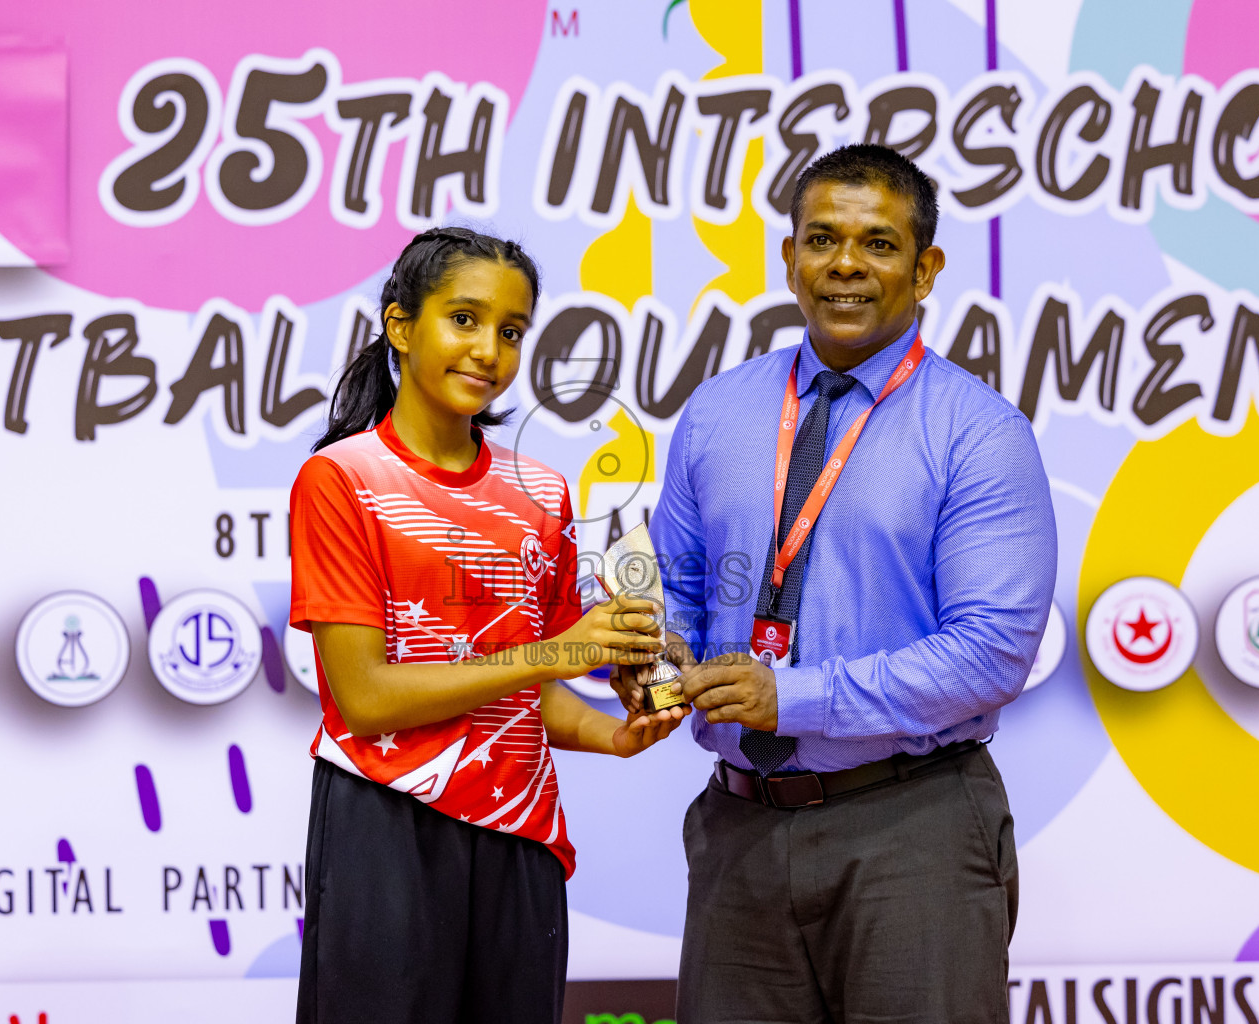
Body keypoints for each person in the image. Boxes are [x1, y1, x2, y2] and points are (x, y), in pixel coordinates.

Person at [615, 145, 1057, 1022]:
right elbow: (680, 591)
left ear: (925, 268)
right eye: (822, 238)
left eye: (879, 244)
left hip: (911, 825)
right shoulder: (718, 412)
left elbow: (991, 655)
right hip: (738, 829)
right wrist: (652, 656)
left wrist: (793, 696)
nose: (846, 264)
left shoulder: (978, 433)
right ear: (789, 258)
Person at [290, 227, 690, 1024]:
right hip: (387, 821)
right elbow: (365, 698)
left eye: (510, 331)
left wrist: (612, 731)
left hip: (520, 833)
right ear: (400, 326)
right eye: (463, 319)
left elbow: (525, 700)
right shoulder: (341, 479)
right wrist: (554, 651)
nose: (488, 351)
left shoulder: (539, 491)